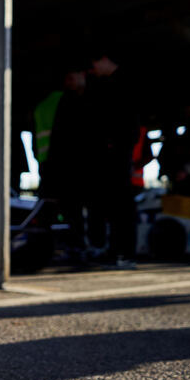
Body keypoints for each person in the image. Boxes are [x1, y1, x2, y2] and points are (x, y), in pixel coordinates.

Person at [82, 47, 141, 268]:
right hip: (112, 153)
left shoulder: (123, 83)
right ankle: (117, 251)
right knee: (113, 205)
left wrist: (114, 146)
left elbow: (129, 125)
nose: (93, 70)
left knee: (121, 205)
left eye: (94, 64)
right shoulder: (111, 84)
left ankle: (124, 253)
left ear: (105, 58)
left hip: (116, 154)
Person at [39, 65, 89, 253]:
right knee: (72, 208)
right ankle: (76, 245)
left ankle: (46, 247)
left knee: (49, 208)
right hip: (67, 165)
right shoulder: (70, 101)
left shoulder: (43, 105)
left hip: (49, 163)